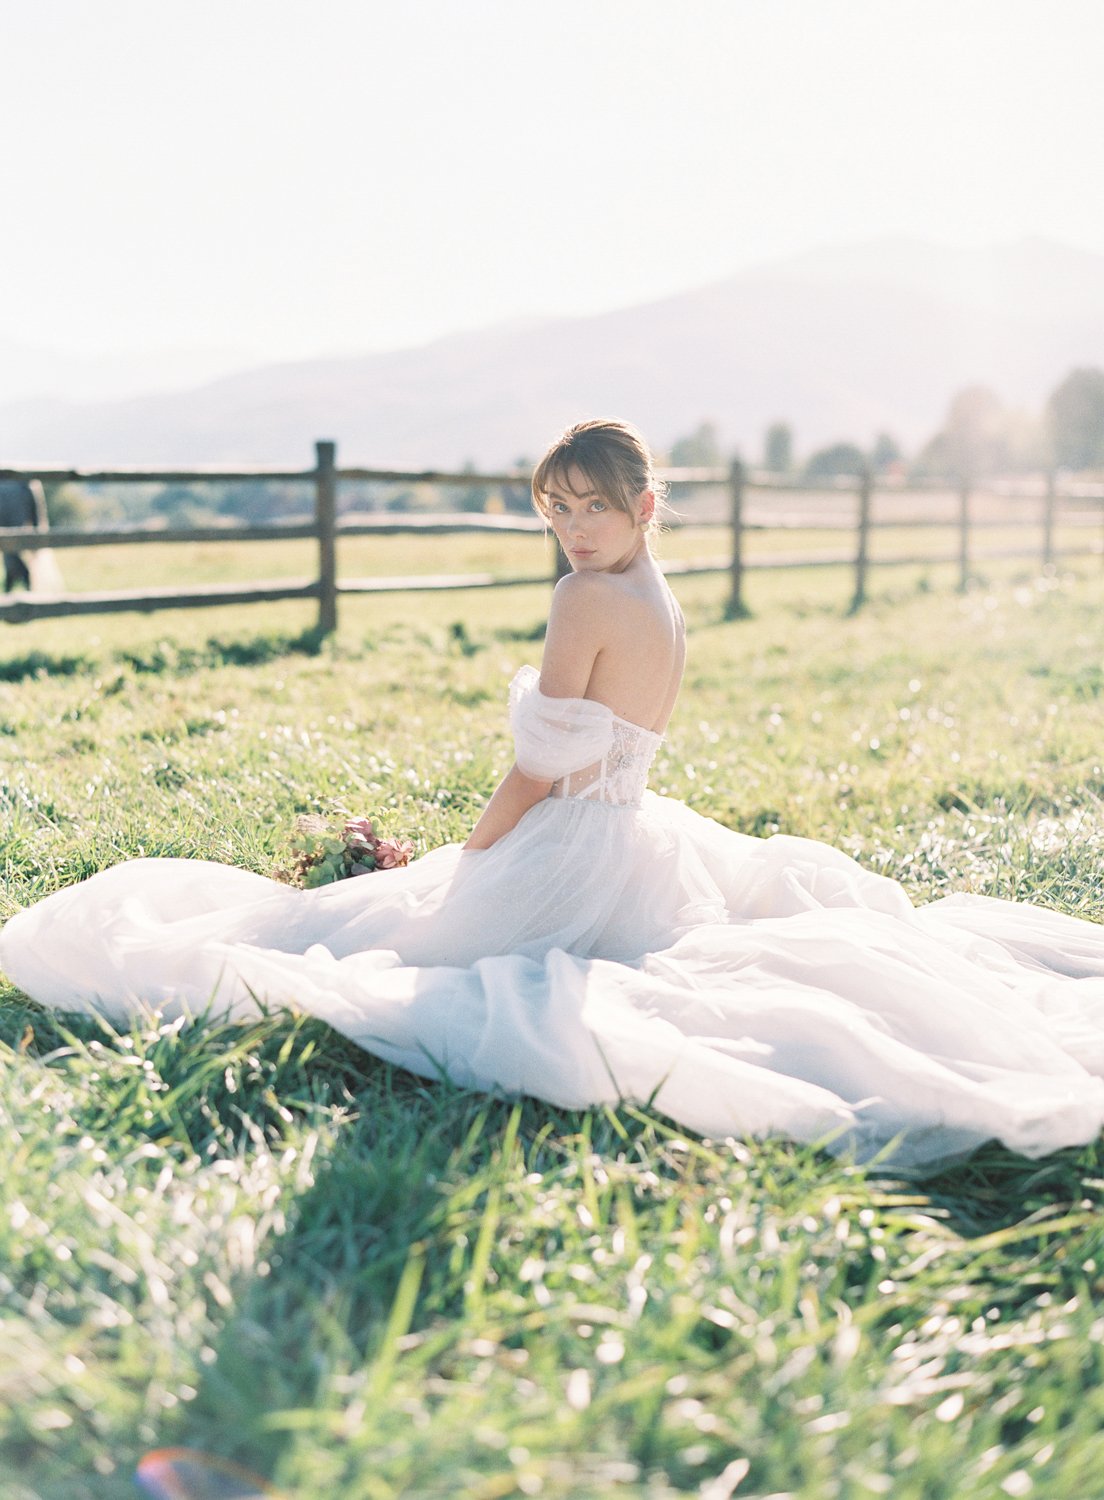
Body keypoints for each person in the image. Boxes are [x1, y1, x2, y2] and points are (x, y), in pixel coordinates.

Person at [2, 418, 1104, 1171]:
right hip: (633, 832)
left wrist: (476, 853)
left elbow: (538, 770)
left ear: (645, 504)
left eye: (593, 509)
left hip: (577, 840)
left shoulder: (587, 599)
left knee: (382, 956)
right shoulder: (656, 592)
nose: (573, 531)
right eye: (556, 509)